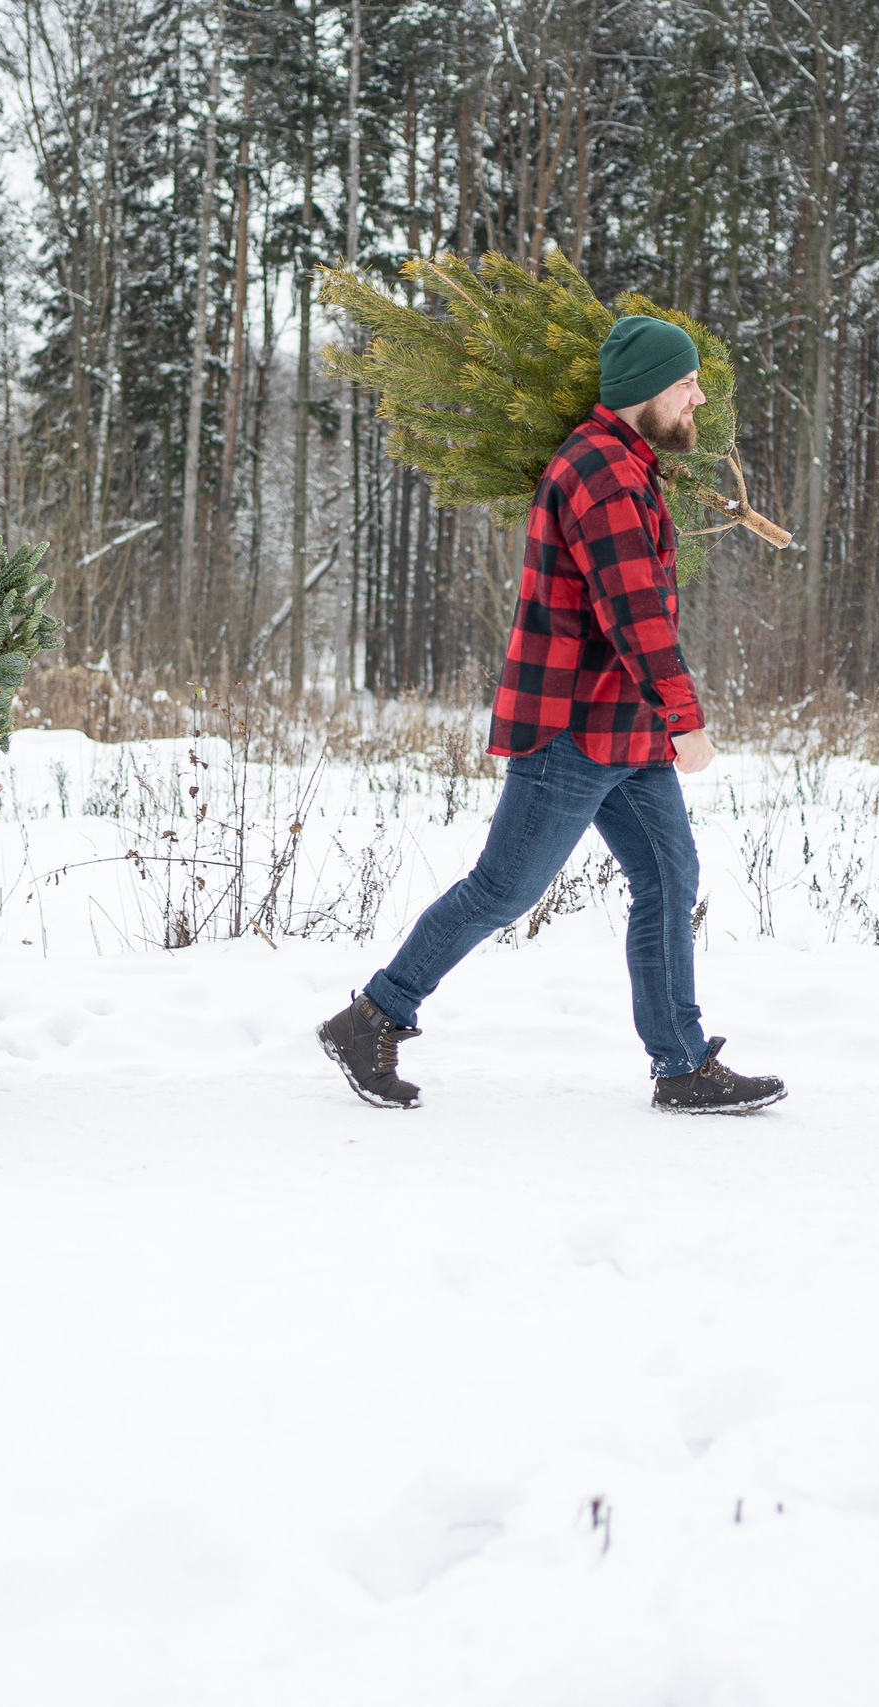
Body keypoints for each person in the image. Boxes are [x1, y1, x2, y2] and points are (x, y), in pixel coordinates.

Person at [317, 317, 786, 1115]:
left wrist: (659, 718)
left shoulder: (627, 462)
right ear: (647, 390)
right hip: (574, 725)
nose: (699, 399)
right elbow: (634, 613)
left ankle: (680, 1064)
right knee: (503, 890)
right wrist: (685, 717)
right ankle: (373, 1018)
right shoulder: (600, 473)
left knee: (669, 876)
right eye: (686, 384)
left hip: (623, 724)